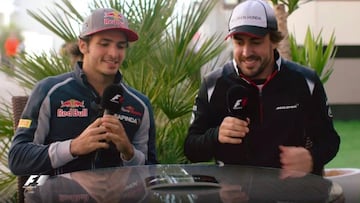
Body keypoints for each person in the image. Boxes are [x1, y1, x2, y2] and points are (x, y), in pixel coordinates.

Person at [184, 0, 340, 176]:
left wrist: (311, 158)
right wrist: (216, 135)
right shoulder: (213, 84)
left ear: (273, 41)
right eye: (239, 42)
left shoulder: (306, 81)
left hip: (292, 195)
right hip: (236, 196)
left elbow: (330, 140)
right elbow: (191, 148)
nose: (246, 52)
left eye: (256, 42)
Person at [8, 8, 157, 176]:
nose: (114, 53)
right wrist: (73, 147)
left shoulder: (139, 104)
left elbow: (151, 171)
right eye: (104, 43)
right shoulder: (50, 90)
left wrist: (129, 152)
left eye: (121, 46)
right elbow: (18, 158)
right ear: (83, 45)